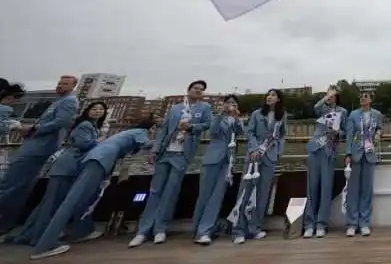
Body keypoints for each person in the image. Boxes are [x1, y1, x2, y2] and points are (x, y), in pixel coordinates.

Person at [29, 116, 157, 260]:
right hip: (100, 161)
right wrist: (161, 142)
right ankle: (46, 245)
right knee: (73, 200)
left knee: (80, 200)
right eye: (154, 129)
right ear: (149, 128)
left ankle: (75, 232)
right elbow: (146, 144)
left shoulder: (126, 133)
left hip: (94, 159)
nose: (154, 132)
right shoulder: (141, 132)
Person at [129, 80, 212, 247]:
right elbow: (164, 130)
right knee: (155, 190)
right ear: (188, 90)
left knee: (171, 192)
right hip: (165, 152)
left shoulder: (204, 108)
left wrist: (191, 127)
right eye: (196, 88)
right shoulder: (175, 108)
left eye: (201, 90)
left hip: (182, 154)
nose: (198, 91)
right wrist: (154, 150)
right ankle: (143, 230)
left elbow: (207, 125)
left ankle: (160, 229)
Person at [12, 101, 107, 246]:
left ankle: (31, 234)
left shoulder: (90, 126)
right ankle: (41, 238)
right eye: (94, 109)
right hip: (67, 167)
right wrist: (101, 140)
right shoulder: (86, 125)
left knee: (49, 202)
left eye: (101, 109)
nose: (98, 111)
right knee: (54, 203)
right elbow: (83, 144)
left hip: (66, 167)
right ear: (87, 111)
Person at [0, 76, 79, 234]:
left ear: (73, 87)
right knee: (14, 185)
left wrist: (33, 129)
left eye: (65, 84)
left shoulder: (69, 101)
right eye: (59, 83)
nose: (60, 86)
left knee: (14, 186)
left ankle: (4, 223)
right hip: (35, 146)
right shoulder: (61, 101)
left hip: (39, 148)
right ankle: (6, 223)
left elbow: (61, 121)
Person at [230, 89, 287, 244]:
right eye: (268, 94)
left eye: (274, 95)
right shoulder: (256, 114)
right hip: (254, 157)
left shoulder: (282, 116)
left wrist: (277, 153)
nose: (270, 97)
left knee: (263, 194)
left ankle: (255, 228)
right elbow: (250, 133)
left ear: (279, 99)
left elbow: (282, 135)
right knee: (245, 192)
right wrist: (254, 149)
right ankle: (238, 230)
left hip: (269, 157)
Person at [191, 94, 244, 244]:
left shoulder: (235, 119)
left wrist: (237, 118)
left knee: (217, 196)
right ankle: (198, 228)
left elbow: (240, 132)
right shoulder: (217, 118)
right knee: (205, 194)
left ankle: (206, 230)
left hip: (228, 161)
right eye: (228, 103)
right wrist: (221, 114)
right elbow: (213, 132)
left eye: (234, 103)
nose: (231, 105)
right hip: (213, 158)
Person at [303, 87, 347, 238]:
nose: (331, 96)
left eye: (334, 94)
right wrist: (326, 98)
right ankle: (309, 223)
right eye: (329, 93)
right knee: (312, 187)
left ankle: (321, 223)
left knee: (326, 188)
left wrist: (337, 132)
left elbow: (345, 132)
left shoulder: (343, 112)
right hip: (315, 149)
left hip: (330, 150)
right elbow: (315, 107)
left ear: (338, 96)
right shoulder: (322, 108)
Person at [344, 91, 384, 236]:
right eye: (361, 96)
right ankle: (352, 223)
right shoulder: (353, 115)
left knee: (367, 190)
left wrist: (379, 133)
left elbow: (379, 128)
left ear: (371, 100)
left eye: (366, 96)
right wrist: (348, 153)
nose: (363, 98)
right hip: (356, 153)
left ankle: (364, 222)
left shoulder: (377, 114)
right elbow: (349, 135)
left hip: (370, 154)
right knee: (353, 191)